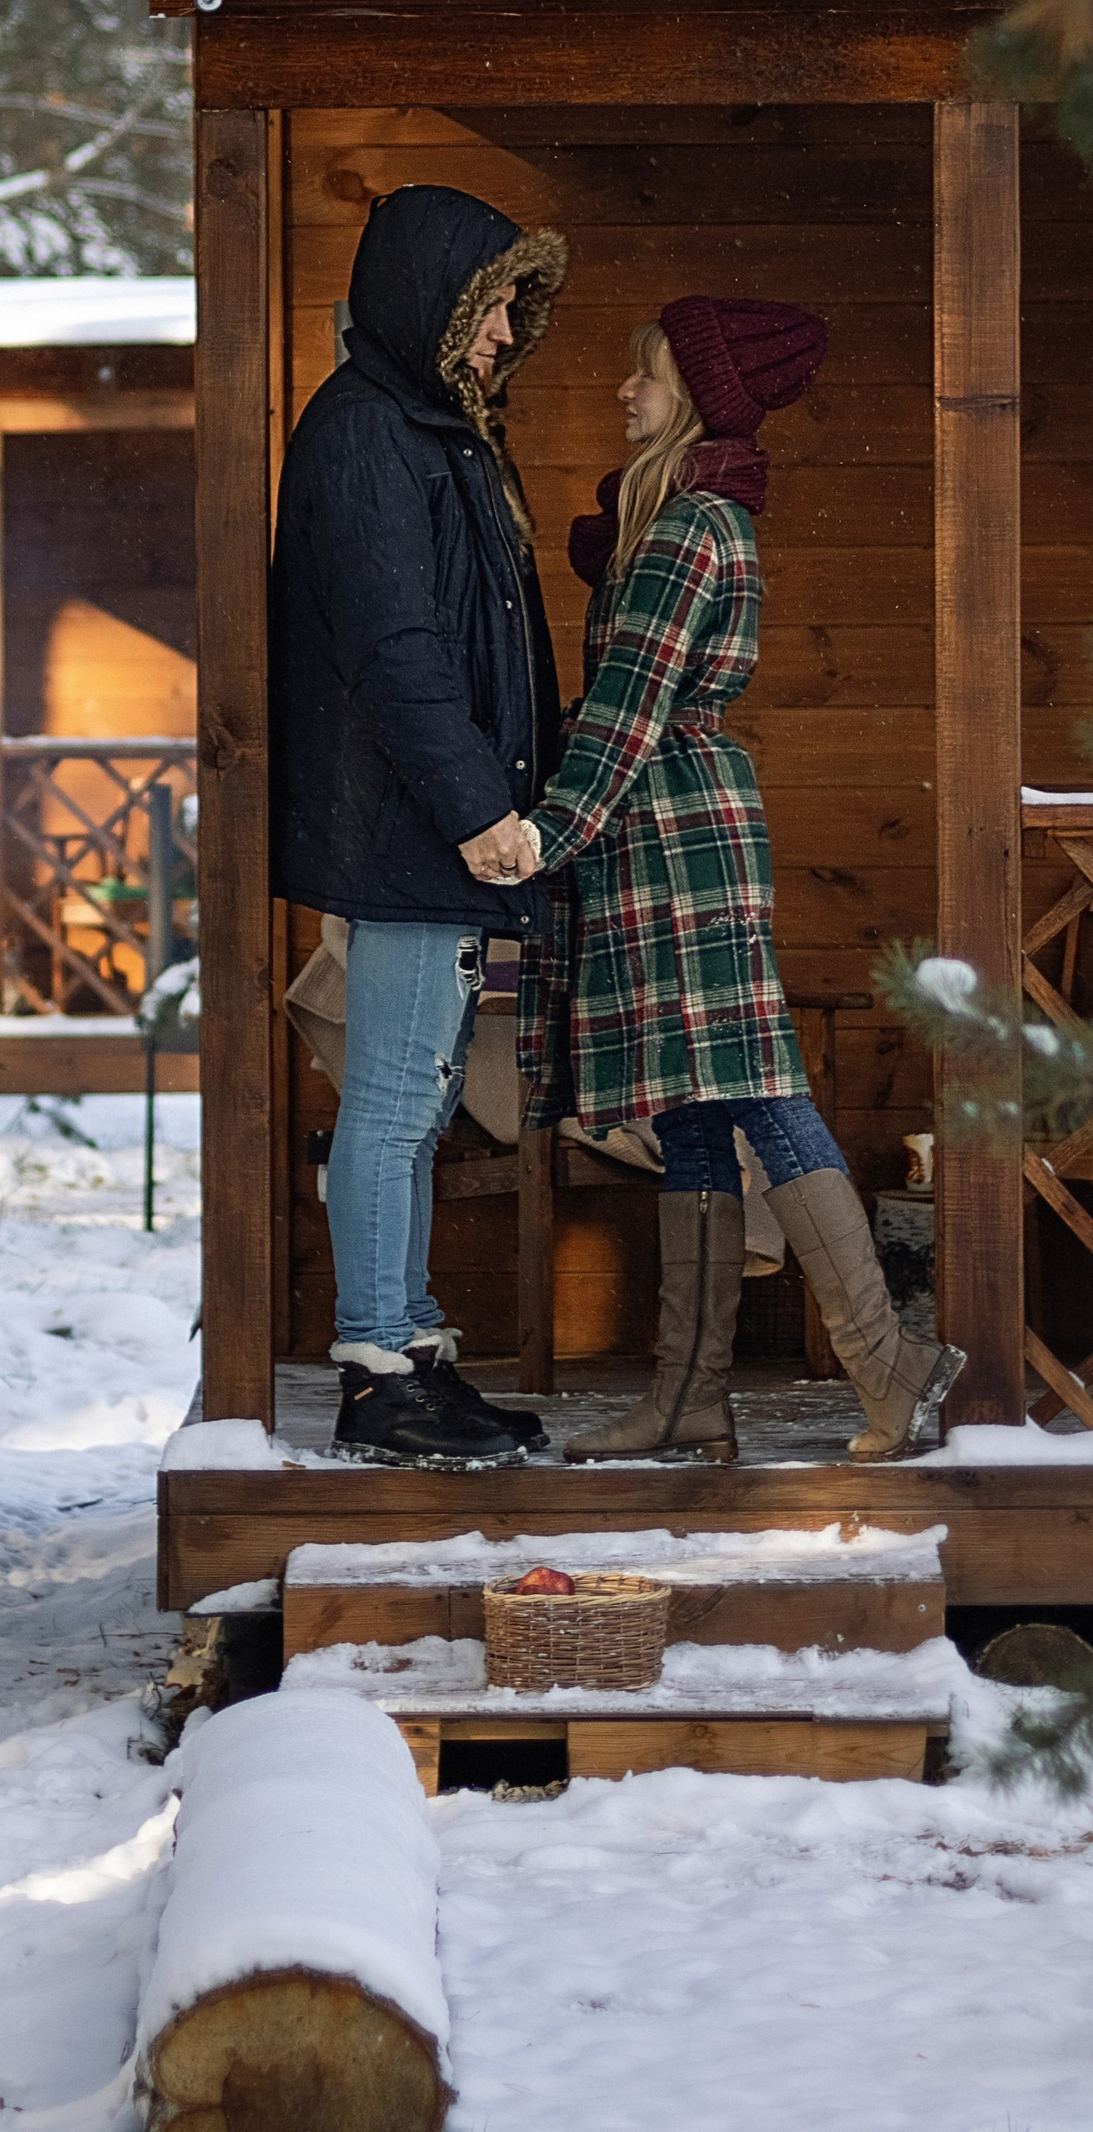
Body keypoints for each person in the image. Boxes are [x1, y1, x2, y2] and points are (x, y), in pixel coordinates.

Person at [502, 296, 966, 1463]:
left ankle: (889, 1367)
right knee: (694, 1111)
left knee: (754, 1089)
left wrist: (542, 834)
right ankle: (688, 1397)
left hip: (673, 839)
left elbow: (625, 712)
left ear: (700, 396)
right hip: (661, 833)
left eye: (646, 375)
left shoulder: (688, 531)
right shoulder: (678, 523)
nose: (625, 392)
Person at [271, 183, 568, 1467]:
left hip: (431, 832)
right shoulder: (362, 434)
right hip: (407, 831)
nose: (508, 332)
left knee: (421, 1098)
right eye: (495, 304)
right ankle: (377, 1370)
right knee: (395, 1103)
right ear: (434, 300)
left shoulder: (428, 429)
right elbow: (399, 650)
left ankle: (413, 1352)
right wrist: (478, 809)